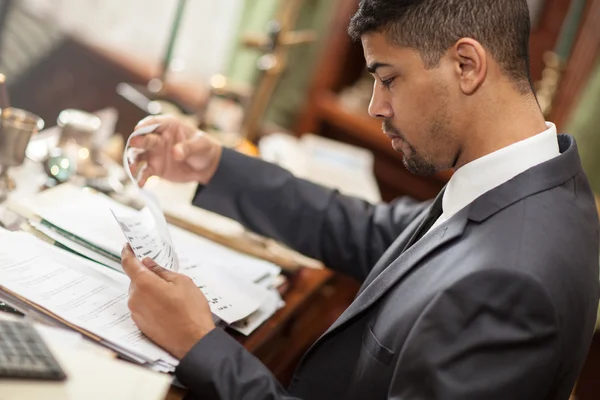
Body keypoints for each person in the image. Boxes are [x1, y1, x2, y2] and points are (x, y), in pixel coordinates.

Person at [120, 0, 600, 399]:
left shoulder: (510, 284)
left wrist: (201, 344)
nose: (375, 106)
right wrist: (213, 164)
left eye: (388, 78)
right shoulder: (533, 178)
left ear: (466, 65)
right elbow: (368, 229)